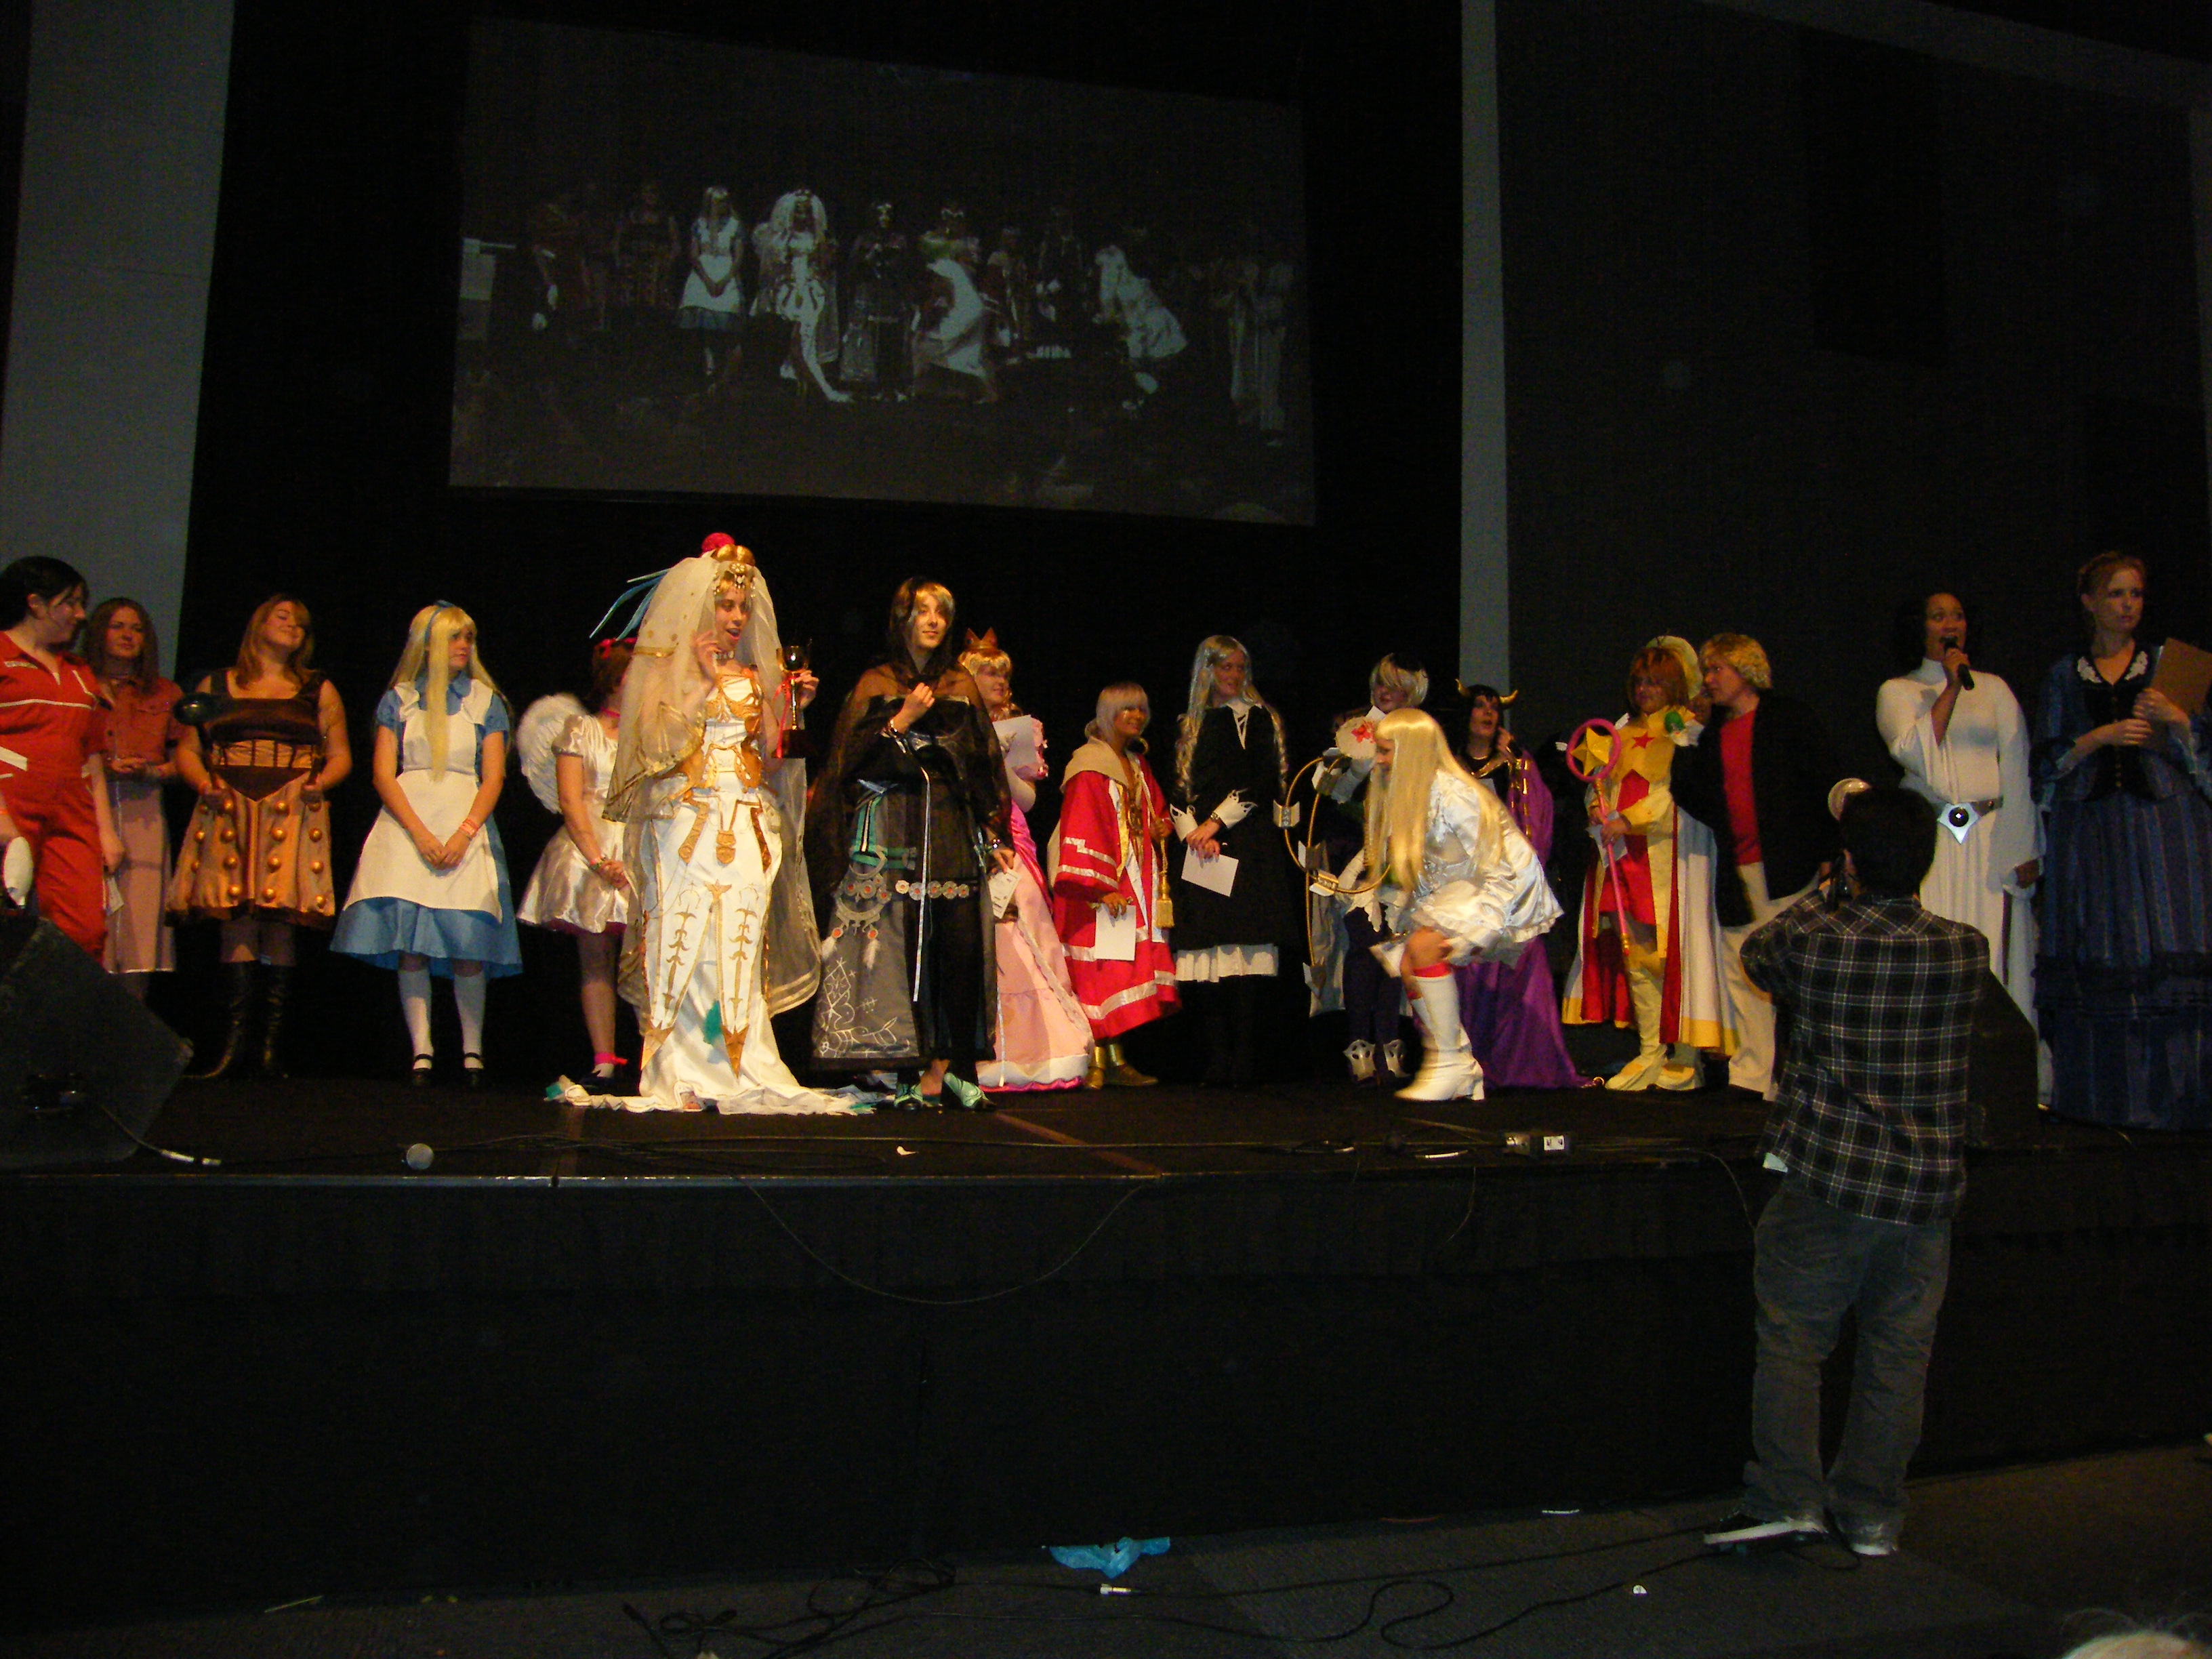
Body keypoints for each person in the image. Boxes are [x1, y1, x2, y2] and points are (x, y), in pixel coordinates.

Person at [1702, 787, 1985, 1559]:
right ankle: (1871, 1515)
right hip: (1924, 1189)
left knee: (1794, 1341)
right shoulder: (1964, 948)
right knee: (1898, 1355)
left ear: (1851, 860)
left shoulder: (1819, 940)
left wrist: (1827, 890)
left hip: (1830, 1176)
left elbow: (1760, 953)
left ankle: (1789, 1498)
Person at [598, 537, 846, 1113]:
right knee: (684, 939)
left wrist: (796, 706)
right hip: (685, 825)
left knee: (737, 942)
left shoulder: (754, 676)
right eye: (727, 606)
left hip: (746, 824)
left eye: (742, 607)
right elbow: (652, 748)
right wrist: (704, 682)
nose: (736, 617)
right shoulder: (666, 670)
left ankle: (737, 1062)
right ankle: (679, 1066)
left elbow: (773, 758)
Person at [806, 578, 1017, 1110]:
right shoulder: (876, 682)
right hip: (898, 827)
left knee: (961, 948)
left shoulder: (960, 683)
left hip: (950, 824)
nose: (933, 620)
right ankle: (907, 1071)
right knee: (906, 951)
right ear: (903, 619)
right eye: (922, 611)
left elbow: (984, 761)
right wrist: (903, 720)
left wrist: (994, 828)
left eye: (941, 612)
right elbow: (846, 761)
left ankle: (960, 1069)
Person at [2032, 552, 2212, 1131]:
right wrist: (2099, 737)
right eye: (2116, 594)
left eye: (2135, 594)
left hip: (2164, 828)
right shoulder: (2066, 676)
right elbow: (2045, 765)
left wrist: (2177, 718)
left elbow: (2203, 754)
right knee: (2104, 946)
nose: (2128, 605)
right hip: (2094, 833)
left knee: (2167, 947)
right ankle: (2105, 1101)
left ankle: (2178, 1101)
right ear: (2090, 602)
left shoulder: (2168, 666)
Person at [331, 602, 520, 1084]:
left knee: (468, 939)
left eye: (469, 637)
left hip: (464, 821)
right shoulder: (399, 700)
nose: (464, 646)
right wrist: (419, 833)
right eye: (455, 637)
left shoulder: (485, 701)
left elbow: (494, 776)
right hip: (406, 825)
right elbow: (383, 774)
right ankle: (422, 1050)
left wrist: (464, 832)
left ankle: (473, 1051)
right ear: (429, 644)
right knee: (409, 940)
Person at [169, 594, 353, 1076]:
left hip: (290, 807)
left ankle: (269, 1051)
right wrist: (203, 784)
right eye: (283, 616)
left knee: (280, 920)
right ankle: (232, 1049)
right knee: (236, 917)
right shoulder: (215, 684)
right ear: (259, 624)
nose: (294, 626)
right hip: (229, 804)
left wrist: (319, 784)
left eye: (301, 622)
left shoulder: (316, 688)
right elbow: (188, 749)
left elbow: (341, 755)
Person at [1670, 634, 1841, 1097]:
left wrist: (1829, 852)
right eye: (1706, 671)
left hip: (1789, 867)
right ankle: (1751, 1077)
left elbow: (1824, 783)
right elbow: (1694, 797)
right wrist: (1687, 740)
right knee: (1743, 973)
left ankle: (1798, 1077)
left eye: (1716, 670)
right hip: (1738, 873)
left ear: (1745, 670)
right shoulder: (1714, 733)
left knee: (1796, 977)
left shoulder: (1789, 718)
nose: (1708, 680)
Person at [1360, 708, 1561, 1101]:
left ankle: (1452, 1063)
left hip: (1502, 886)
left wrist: (1485, 928)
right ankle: (1458, 1063)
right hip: (1461, 887)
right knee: (1409, 961)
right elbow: (1431, 870)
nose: (1379, 760)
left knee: (1423, 947)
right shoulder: (1414, 795)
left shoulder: (1454, 795)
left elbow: (1500, 866)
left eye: (1385, 751)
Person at [1563, 638, 1736, 1090]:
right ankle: (1651, 1050)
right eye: (1639, 682)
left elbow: (1680, 793)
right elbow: (1598, 782)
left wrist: (1631, 820)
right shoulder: (1618, 734)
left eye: (1655, 682)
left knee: (1675, 951)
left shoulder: (1688, 731)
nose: (1644, 690)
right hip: (1622, 857)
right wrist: (1597, 808)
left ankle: (1687, 1054)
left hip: (1669, 858)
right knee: (1635, 952)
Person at [1876, 591, 2039, 1029]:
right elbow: (1913, 754)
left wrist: (2023, 846)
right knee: (1942, 948)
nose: (1951, 624)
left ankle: (2006, 1058)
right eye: (1938, 616)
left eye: (1958, 616)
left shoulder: (1994, 689)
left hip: (1992, 839)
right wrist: (1950, 687)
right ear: (1919, 627)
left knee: (1998, 953)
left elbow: (2018, 766)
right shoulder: (1898, 691)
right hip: (1936, 839)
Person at [960, 632, 1092, 1090]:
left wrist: (997, 760)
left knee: (1021, 933)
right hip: (959, 836)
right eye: (988, 672)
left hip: (1009, 841)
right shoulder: (953, 724)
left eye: (1003, 674)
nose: (999, 681)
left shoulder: (1017, 728)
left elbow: (1030, 800)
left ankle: (1031, 1052)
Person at [1170, 635, 1303, 1086]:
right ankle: (1216, 1057)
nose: (1233, 676)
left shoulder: (1259, 719)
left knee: (1243, 952)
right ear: (1207, 670)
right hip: (1199, 850)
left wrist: (1215, 825)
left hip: (1246, 846)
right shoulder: (1191, 723)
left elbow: (1261, 781)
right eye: (1224, 667)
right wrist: (1192, 832)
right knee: (1205, 953)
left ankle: (1243, 1058)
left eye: (1239, 668)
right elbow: (1177, 786)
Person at [1452, 684, 1586, 1090]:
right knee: (1468, 970)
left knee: (1522, 967)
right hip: (1461, 883)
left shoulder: (1517, 764)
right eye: (1479, 706)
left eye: (1494, 708)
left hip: (1506, 882)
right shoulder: (1449, 764)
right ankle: (1467, 1062)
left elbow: (1536, 820)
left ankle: (1524, 1065)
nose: (1488, 714)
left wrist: (1516, 765)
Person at [1049, 682, 1180, 1086]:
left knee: (1119, 968)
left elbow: (1154, 811)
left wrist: (1161, 826)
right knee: (1097, 972)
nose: (1136, 717)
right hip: (1096, 885)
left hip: (1131, 881)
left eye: (1140, 709)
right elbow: (1082, 825)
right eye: (1127, 709)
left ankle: (1116, 1060)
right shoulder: (1089, 765)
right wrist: (1101, 887)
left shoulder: (1137, 765)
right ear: (1108, 713)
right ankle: (1095, 1062)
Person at [517, 640, 633, 1082]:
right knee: (596, 954)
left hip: (640, 844)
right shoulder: (580, 730)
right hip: (591, 848)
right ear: (615, 678)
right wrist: (599, 861)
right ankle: (604, 1058)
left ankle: (657, 1054)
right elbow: (571, 800)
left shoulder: (652, 733)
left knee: (651, 956)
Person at [1311, 653, 1429, 1083]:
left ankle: (1390, 1045)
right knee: (1364, 948)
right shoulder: (1355, 729)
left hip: (1402, 854)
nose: (1385, 692)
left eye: (1395, 686)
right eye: (1381, 684)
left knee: (1393, 948)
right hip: (1356, 853)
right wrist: (1351, 763)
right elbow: (1331, 790)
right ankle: (1360, 1047)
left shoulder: (1420, 734)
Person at [0, 557, 119, 960]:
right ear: (35, 603)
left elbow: (92, 756)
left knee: (85, 927)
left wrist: (106, 832)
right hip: (11, 803)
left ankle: (63, 1002)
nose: (80, 614)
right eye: (70, 603)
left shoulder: (79, 672)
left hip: (72, 811)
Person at [83, 597, 183, 994]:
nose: (128, 636)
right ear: (98, 633)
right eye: (118, 626)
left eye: (137, 629)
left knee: (140, 922)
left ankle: (130, 1021)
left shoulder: (164, 692)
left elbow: (187, 760)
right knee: (89, 915)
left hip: (145, 808)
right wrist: (101, 766)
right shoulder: (78, 682)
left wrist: (152, 771)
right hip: (86, 803)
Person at [677, 186, 745, 394]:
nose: (719, 206)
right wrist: (706, 279)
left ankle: (724, 375)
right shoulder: (699, 224)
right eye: (715, 202)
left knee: (725, 324)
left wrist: (725, 279)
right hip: (703, 274)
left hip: (725, 272)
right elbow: (694, 255)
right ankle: (706, 369)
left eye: (723, 202)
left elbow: (738, 257)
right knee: (702, 323)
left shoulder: (734, 225)